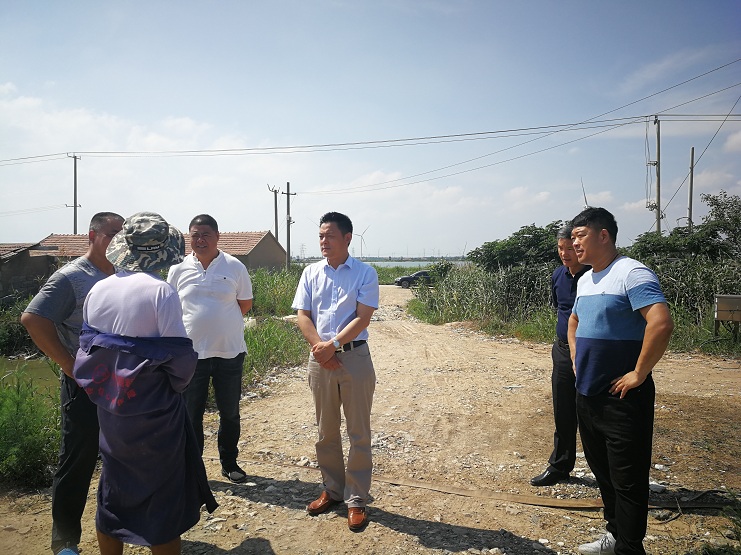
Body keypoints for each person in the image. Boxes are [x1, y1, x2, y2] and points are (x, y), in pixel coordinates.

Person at [73, 212, 217, 555]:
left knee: (113, 486)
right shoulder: (161, 292)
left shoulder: (98, 289)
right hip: (154, 410)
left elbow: (90, 349)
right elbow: (180, 361)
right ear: (164, 250)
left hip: (111, 407)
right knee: (161, 495)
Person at [568, 207, 673, 555]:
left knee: (628, 479)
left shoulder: (632, 272)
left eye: (580, 235)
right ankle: (614, 535)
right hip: (588, 394)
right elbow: (574, 321)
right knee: (604, 472)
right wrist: (575, 357)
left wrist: (639, 372)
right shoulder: (585, 279)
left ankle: (629, 547)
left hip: (623, 398)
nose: (574, 243)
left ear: (604, 235)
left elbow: (660, 322)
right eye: (572, 237)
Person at [21, 211, 124, 555]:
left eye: (122, 234)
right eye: (112, 233)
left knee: (122, 458)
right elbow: (33, 318)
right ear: (92, 236)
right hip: (85, 386)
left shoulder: (123, 275)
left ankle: (119, 528)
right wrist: (70, 366)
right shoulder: (72, 277)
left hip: (124, 385)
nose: (118, 240)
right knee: (78, 460)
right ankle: (65, 541)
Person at [291, 211, 379, 532]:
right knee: (325, 431)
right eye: (320, 236)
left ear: (347, 238)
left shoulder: (365, 273)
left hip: (354, 358)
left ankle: (356, 499)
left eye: (329, 235)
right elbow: (303, 315)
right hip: (320, 360)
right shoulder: (310, 272)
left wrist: (334, 344)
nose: (323, 241)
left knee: (359, 432)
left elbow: (363, 317)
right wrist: (321, 348)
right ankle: (332, 490)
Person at [167, 214, 253, 483]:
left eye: (205, 234)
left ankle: (230, 463)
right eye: (195, 235)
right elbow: (171, 308)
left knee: (230, 413)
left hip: (229, 352)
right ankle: (194, 468)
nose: (200, 240)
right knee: (191, 414)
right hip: (191, 355)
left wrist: (218, 322)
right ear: (188, 238)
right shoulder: (177, 269)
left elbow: (245, 304)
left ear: (217, 236)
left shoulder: (235, 266)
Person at [531, 225, 590, 487]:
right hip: (563, 352)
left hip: (591, 353)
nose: (565, 254)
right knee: (563, 411)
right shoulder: (558, 275)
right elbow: (560, 308)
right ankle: (560, 466)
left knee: (592, 413)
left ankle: (605, 471)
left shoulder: (596, 275)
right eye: (560, 248)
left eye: (569, 248)